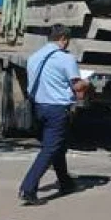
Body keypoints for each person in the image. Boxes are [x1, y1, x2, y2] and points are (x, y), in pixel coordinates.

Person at [18, 24, 90, 205]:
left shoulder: (35, 57)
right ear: (63, 39)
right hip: (57, 109)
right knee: (50, 149)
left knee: (58, 145)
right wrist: (87, 82)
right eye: (67, 41)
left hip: (39, 107)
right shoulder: (66, 59)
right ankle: (28, 188)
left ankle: (65, 182)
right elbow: (77, 86)